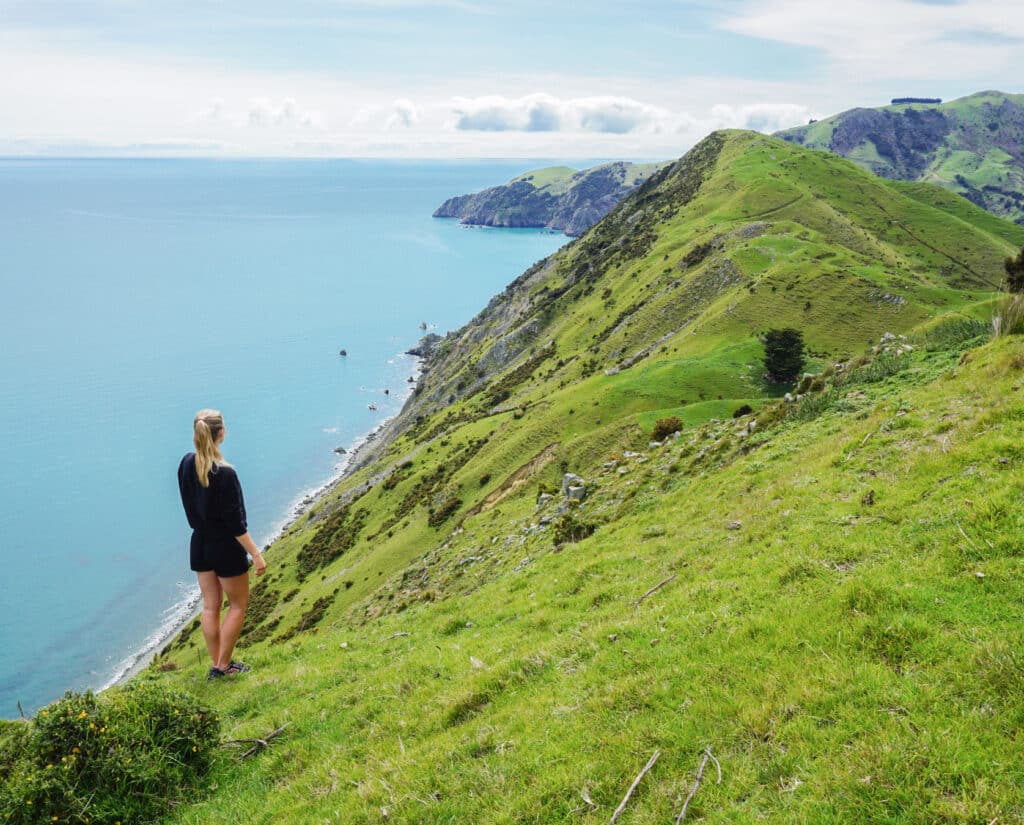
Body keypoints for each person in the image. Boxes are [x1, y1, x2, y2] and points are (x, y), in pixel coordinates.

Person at [177, 408, 267, 679]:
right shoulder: (226, 474)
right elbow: (236, 525)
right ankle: (222, 665)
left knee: (210, 606)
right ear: (221, 434)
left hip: (200, 543)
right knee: (237, 605)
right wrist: (256, 555)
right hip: (225, 547)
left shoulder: (185, 463)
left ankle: (218, 663)